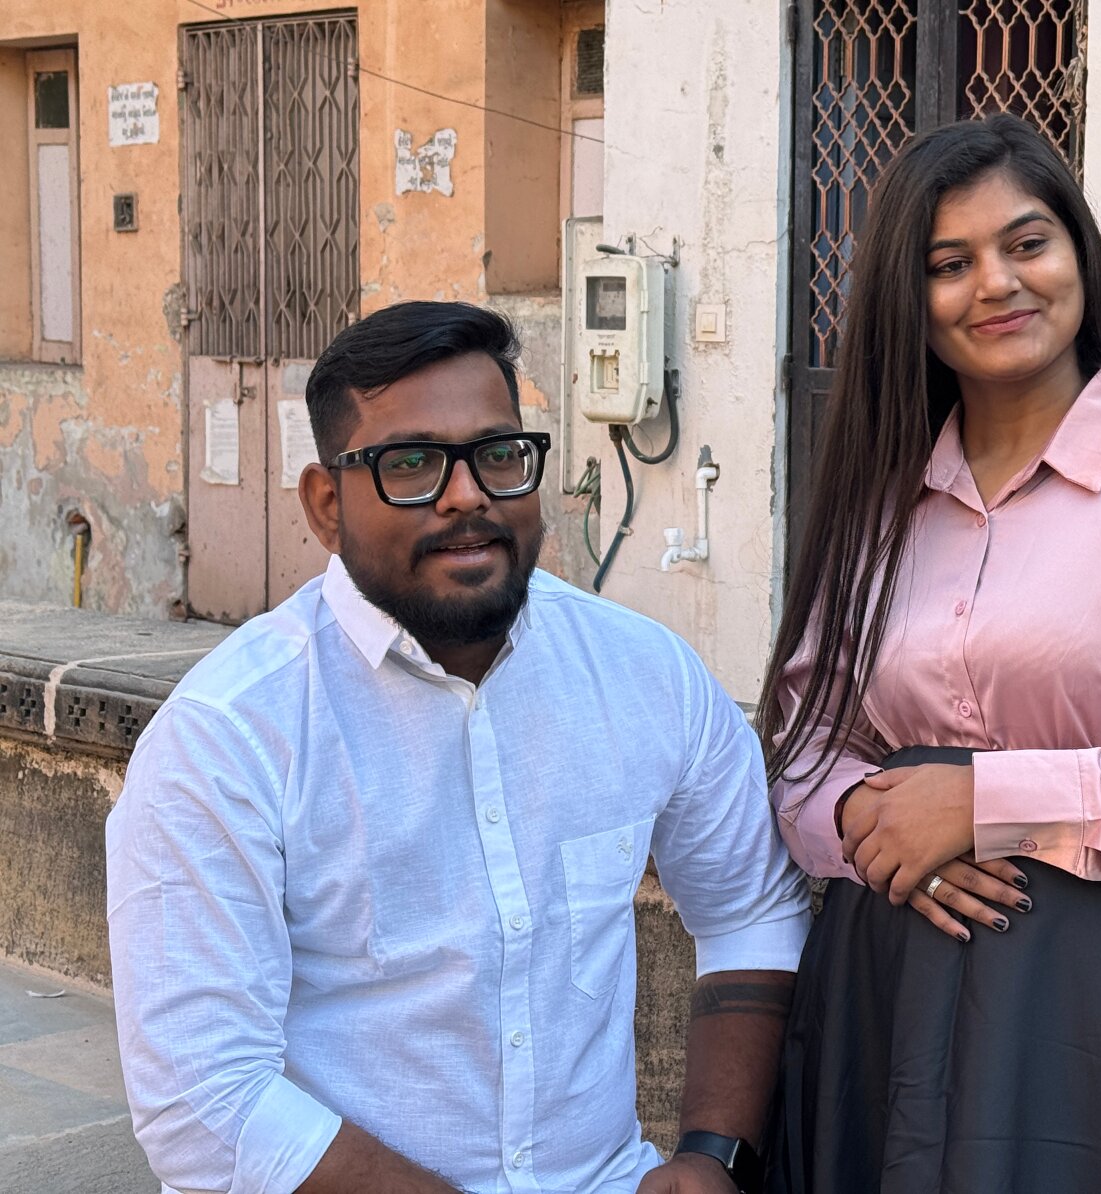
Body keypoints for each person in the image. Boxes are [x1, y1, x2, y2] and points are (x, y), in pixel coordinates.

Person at [107, 301, 810, 1194]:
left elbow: (749, 907)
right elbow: (201, 1099)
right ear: (326, 505)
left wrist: (714, 1155)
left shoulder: (643, 674)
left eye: (499, 454)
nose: (468, 494)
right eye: (410, 463)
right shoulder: (230, 733)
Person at [757, 115, 1101, 1193]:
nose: (996, 284)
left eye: (1027, 243)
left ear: (1077, 256)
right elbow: (806, 740)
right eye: (948, 263)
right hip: (896, 997)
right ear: (907, 299)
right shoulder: (878, 505)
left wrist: (987, 804)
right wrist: (869, 825)